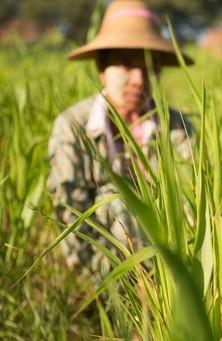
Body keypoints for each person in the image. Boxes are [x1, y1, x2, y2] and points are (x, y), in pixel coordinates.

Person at [47, 0, 194, 280]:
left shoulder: (177, 127)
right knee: (112, 199)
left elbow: (191, 209)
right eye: (126, 64)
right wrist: (110, 284)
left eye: (150, 67)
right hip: (106, 275)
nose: (139, 79)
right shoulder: (73, 127)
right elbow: (70, 214)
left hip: (171, 274)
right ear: (102, 68)